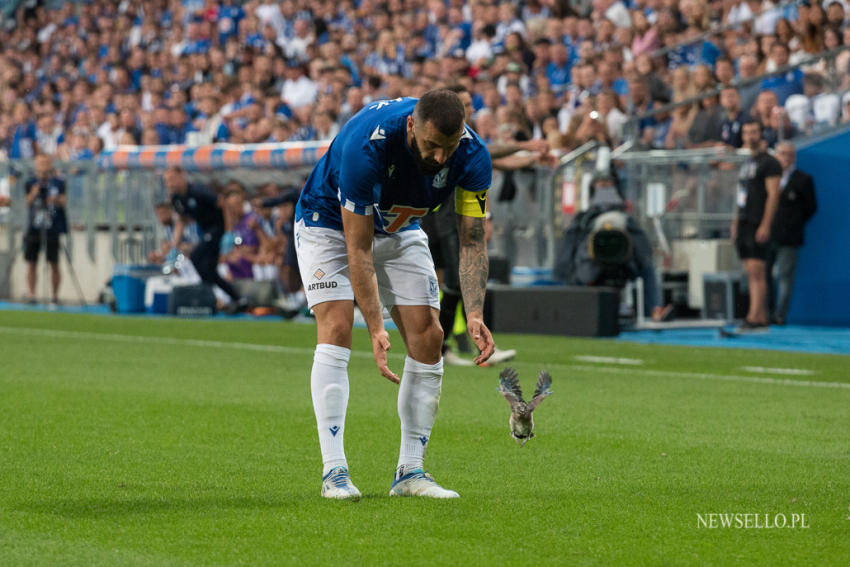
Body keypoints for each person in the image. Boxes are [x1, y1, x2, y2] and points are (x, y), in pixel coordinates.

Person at [294, 89, 495, 501]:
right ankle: (334, 472)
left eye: (449, 147)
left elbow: (472, 241)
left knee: (429, 336)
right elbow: (359, 248)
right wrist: (375, 327)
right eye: (431, 146)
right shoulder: (368, 145)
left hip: (399, 227)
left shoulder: (474, 156)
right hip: (330, 224)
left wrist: (474, 311)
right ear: (411, 127)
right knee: (336, 326)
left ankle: (410, 472)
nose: (440, 158)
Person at [422, 84, 545, 367]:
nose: (472, 109)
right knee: (452, 282)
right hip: (442, 216)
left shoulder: (465, 140)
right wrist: (526, 146)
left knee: (454, 282)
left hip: (446, 216)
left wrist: (532, 158)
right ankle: (443, 347)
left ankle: (444, 347)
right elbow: (489, 153)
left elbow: (489, 161)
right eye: (465, 104)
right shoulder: (448, 134)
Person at [165, 166, 248, 313]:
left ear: (181, 176)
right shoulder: (176, 199)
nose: (169, 184)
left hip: (218, 229)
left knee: (196, 256)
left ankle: (208, 292)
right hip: (206, 232)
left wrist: (229, 232)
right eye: (167, 181)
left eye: (171, 180)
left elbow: (224, 204)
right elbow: (181, 221)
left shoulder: (198, 191)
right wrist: (174, 247)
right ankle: (238, 299)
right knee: (210, 271)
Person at [731, 121, 782, 332]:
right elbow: (741, 197)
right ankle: (759, 317)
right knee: (750, 271)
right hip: (744, 221)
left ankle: (755, 316)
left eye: (753, 132)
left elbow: (773, 195)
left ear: (761, 135)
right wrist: (735, 221)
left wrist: (766, 224)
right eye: (746, 132)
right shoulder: (746, 163)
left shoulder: (770, 162)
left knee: (758, 271)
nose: (749, 136)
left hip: (756, 221)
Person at [766, 142, 817, 325]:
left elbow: (811, 208)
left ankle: (780, 315)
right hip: (769, 234)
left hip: (790, 237)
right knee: (766, 275)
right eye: (782, 153)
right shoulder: (769, 177)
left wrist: (793, 224)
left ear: (794, 157)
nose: (785, 158)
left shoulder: (803, 179)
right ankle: (766, 312)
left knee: (784, 276)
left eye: (789, 154)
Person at [23, 154, 67, 304]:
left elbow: (63, 201)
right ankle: (32, 295)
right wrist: (34, 193)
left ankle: (54, 296)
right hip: (35, 226)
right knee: (31, 262)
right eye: (39, 163)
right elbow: (27, 201)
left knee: (54, 262)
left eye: (45, 163)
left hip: (52, 227)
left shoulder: (58, 182)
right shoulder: (30, 182)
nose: (42, 166)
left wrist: (54, 199)